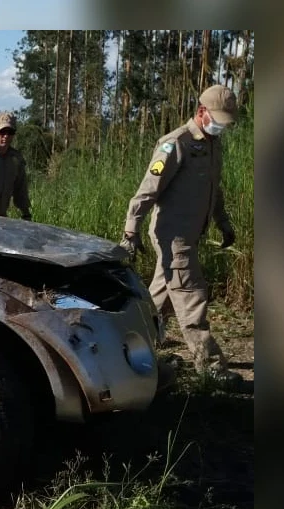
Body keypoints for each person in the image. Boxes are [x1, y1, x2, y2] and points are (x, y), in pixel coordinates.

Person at [120, 84, 241, 387]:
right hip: (173, 237)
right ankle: (211, 367)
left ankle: (128, 343)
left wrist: (223, 223)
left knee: (157, 298)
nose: (221, 128)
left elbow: (215, 189)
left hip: (190, 234)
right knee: (191, 296)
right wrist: (130, 232)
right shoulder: (175, 144)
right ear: (201, 112)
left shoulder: (212, 143)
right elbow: (146, 193)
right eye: (217, 120)